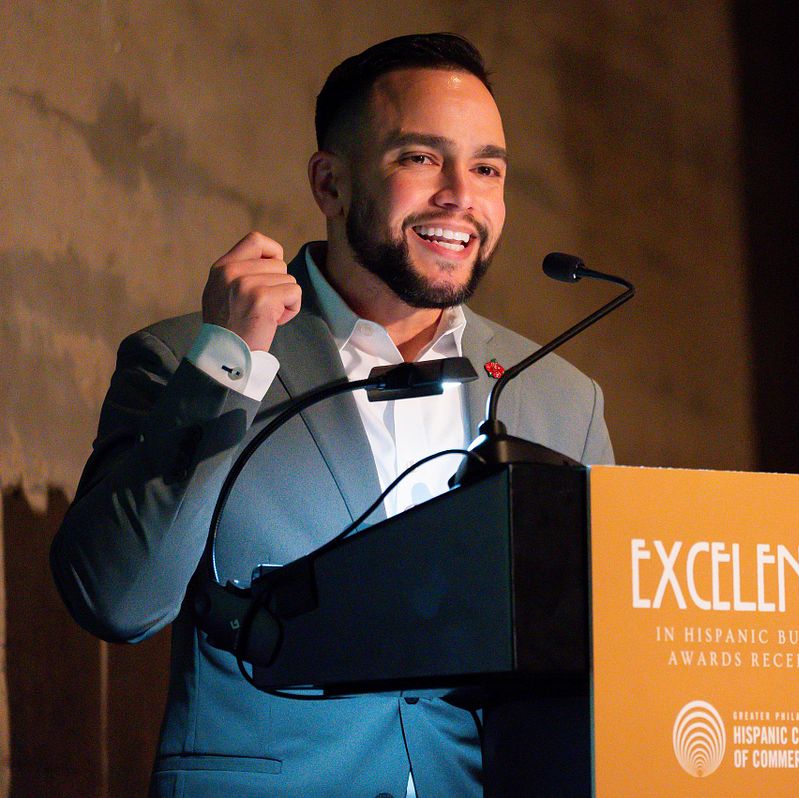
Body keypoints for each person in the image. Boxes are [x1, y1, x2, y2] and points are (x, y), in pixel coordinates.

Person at [50, 33, 613, 798]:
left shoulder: (558, 395)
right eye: (420, 158)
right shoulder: (187, 356)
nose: (460, 194)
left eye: (487, 168)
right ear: (330, 183)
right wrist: (230, 365)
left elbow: (607, 659)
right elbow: (116, 601)